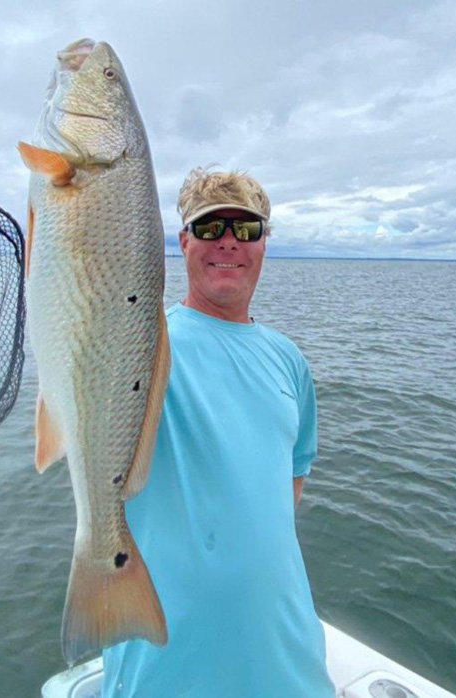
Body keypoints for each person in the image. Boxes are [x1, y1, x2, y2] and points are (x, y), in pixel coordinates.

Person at [102, 167, 335, 698]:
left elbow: (289, 487)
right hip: (164, 673)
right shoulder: (139, 348)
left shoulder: (289, 361)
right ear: (183, 241)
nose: (229, 241)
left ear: (263, 245)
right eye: (210, 228)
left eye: (246, 229)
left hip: (290, 667)